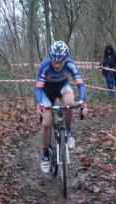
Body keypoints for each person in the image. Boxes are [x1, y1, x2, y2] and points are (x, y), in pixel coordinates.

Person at [34, 41, 88, 173]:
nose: (57, 65)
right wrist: (38, 104)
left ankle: (69, 133)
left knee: (70, 102)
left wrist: (83, 102)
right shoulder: (45, 65)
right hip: (46, 92)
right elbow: (38, 88)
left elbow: (80, 84)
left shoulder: (70, 63)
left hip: (63, 87)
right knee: (46, 123)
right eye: (54, 61)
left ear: (66, 59)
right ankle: (46, 155)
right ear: (50, 59)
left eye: (60, 62)